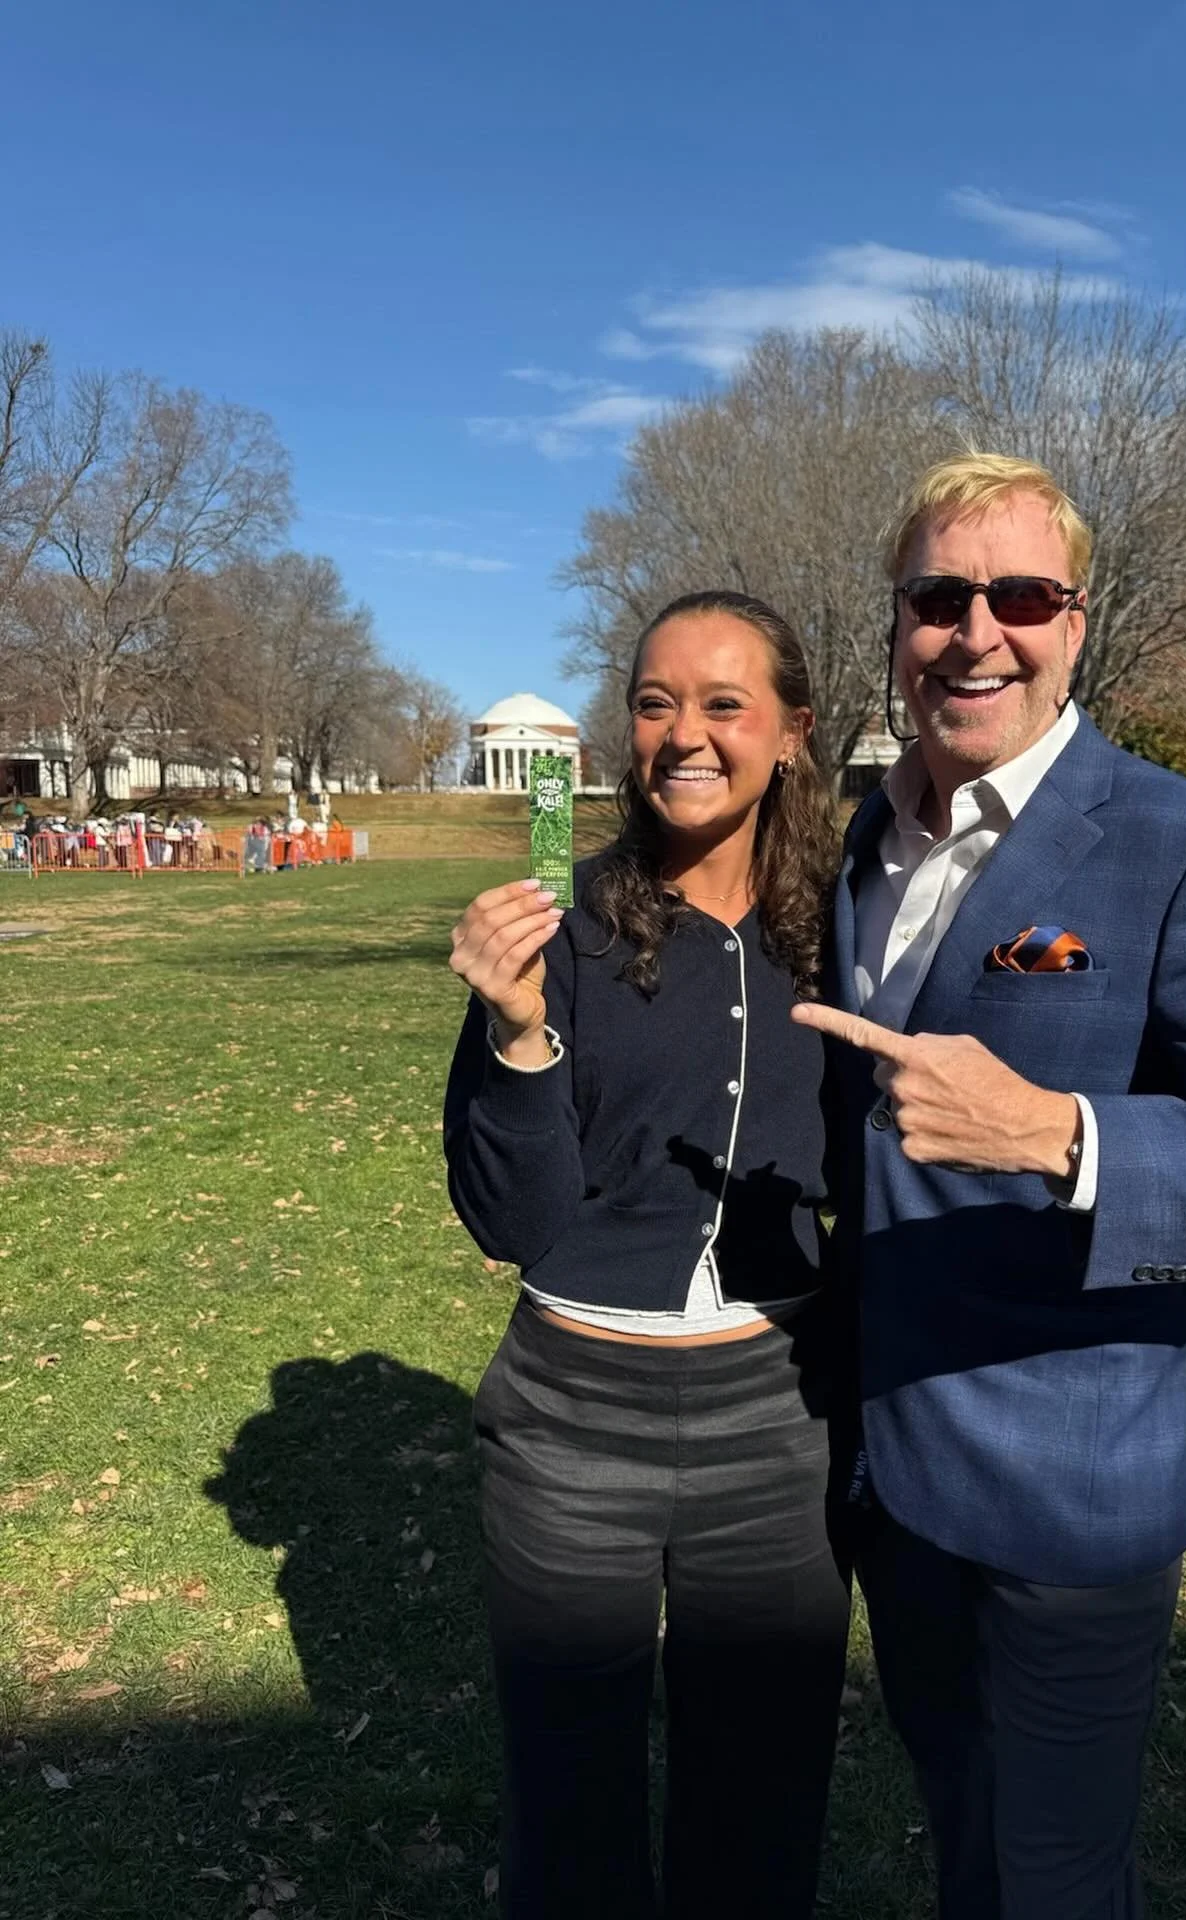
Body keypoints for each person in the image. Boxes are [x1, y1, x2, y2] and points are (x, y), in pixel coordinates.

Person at [793, 453, 1186, 1920]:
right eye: (939, 598)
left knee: (1061, 1878)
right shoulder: (863, 844)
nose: (977, 632)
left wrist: (1067, 1138)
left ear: (1078, 623)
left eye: (1022, 595)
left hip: (1075, 1494)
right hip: (890, 1475)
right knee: (960, 1829)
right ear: (896, 624)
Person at [444, 590, 851, 1920]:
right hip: (572, 1426)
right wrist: (514, 1036)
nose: (686, 733)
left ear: (791, 731)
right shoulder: (558, 925)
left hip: (778, 1427)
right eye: (658, 701)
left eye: (725, 703)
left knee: (761, 1810)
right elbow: (512, 1220)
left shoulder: (845, 934)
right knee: (574, 1823)